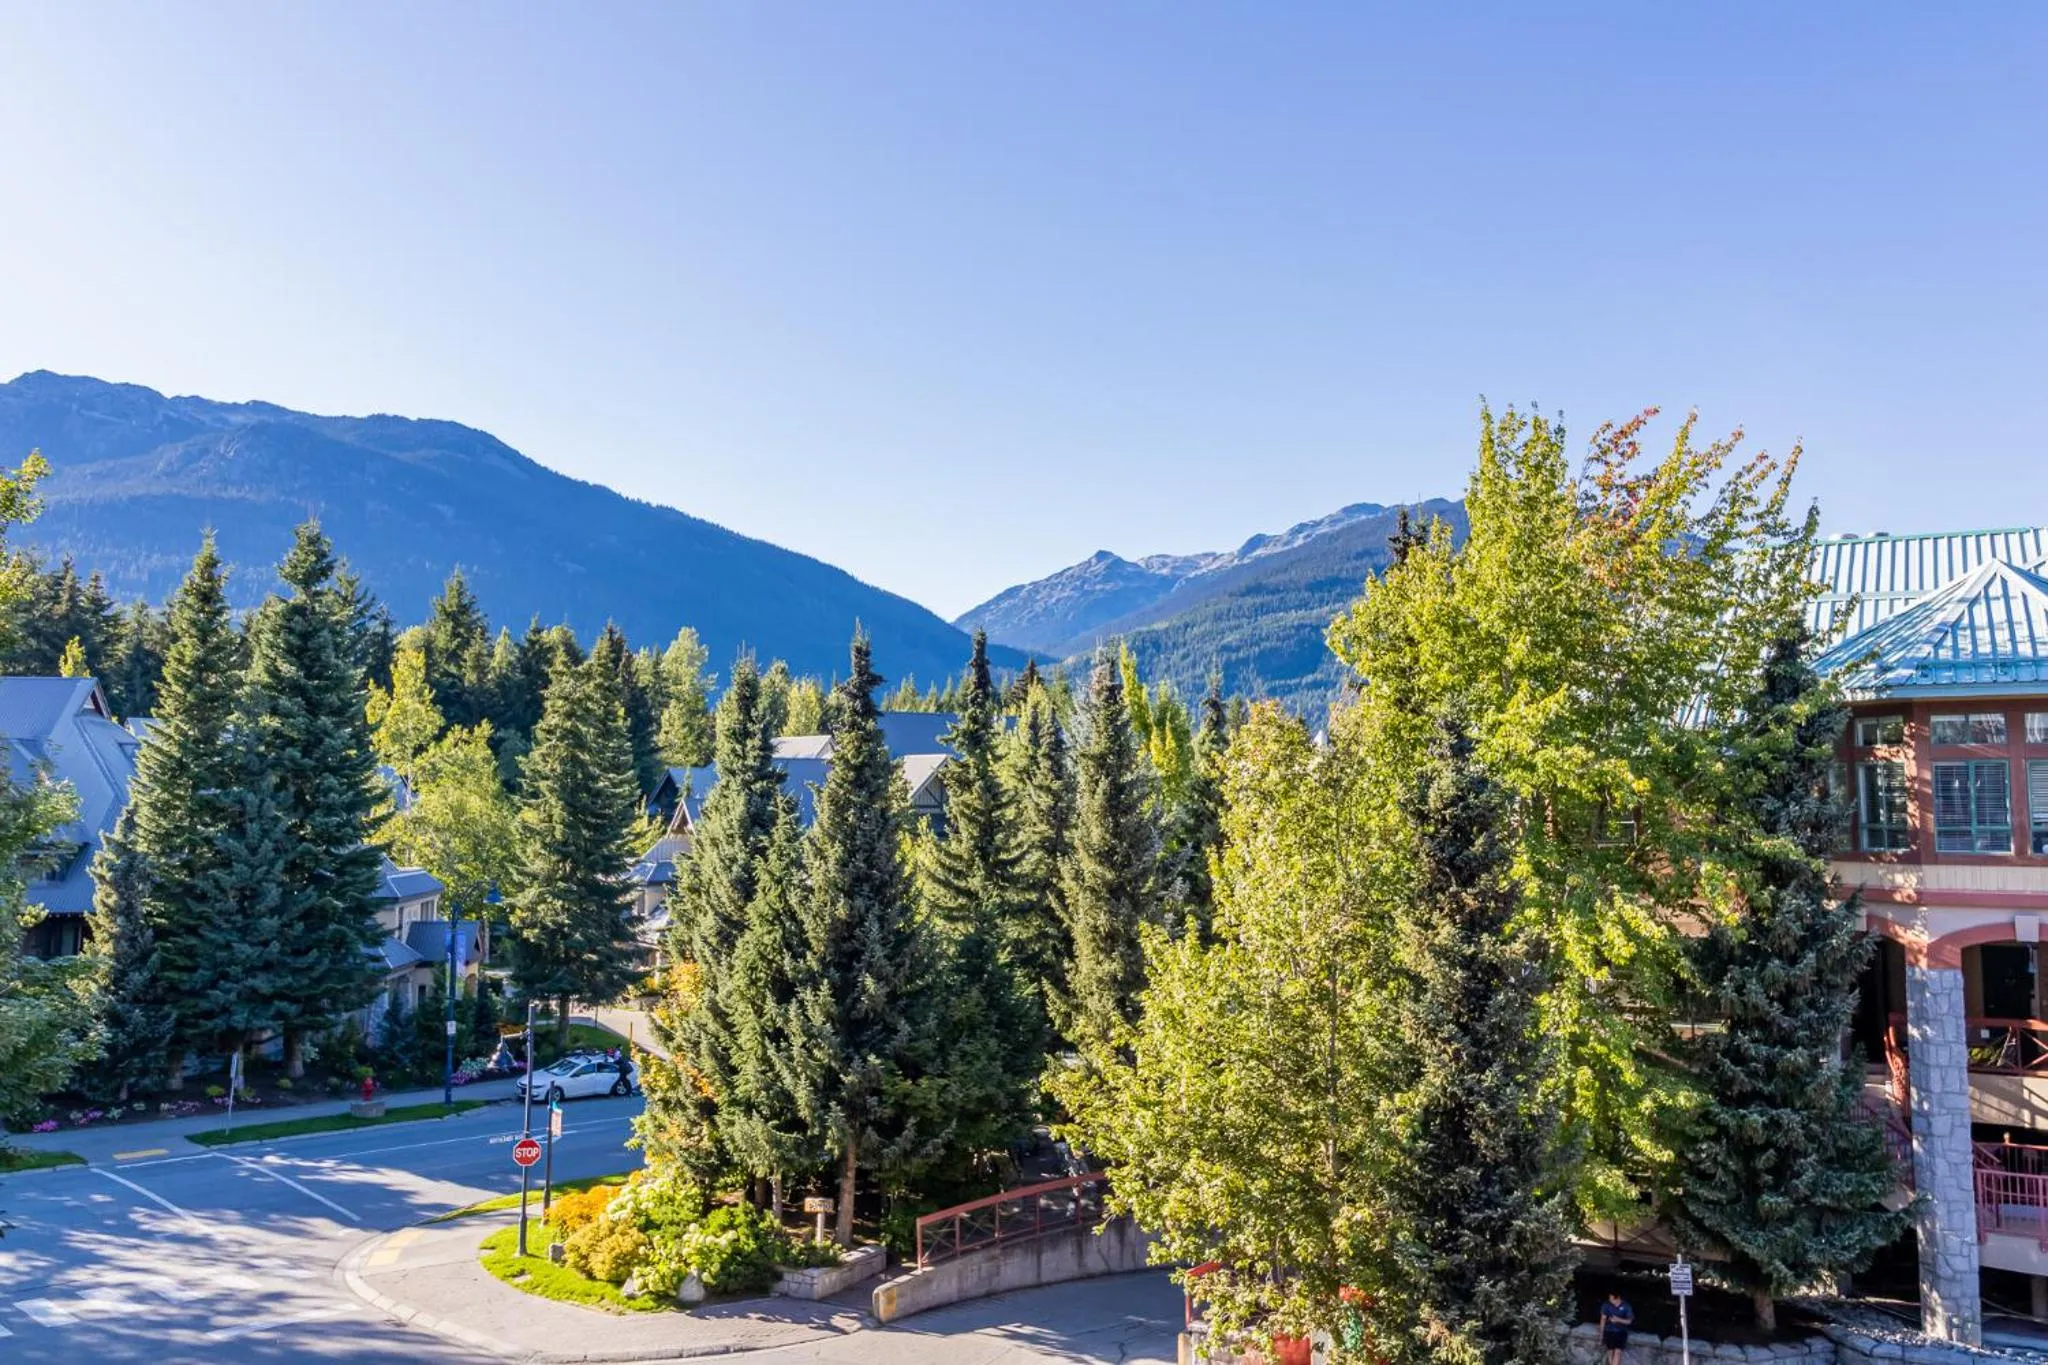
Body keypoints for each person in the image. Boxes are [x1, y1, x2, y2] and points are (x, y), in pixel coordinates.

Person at [1599, 1290, 1635, 1365]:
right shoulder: (1606, 1305)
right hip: (1609, 1331)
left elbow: (1629, 1321)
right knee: (1610, 1351)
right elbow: (1603, 1320)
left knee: (1618, 1352)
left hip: (1621, 1332)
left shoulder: (1626, 1306)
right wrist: (1601, 1336)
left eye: (1611, 1298)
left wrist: (1618, 1320)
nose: (1610, 1300)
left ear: (1617, 1298)